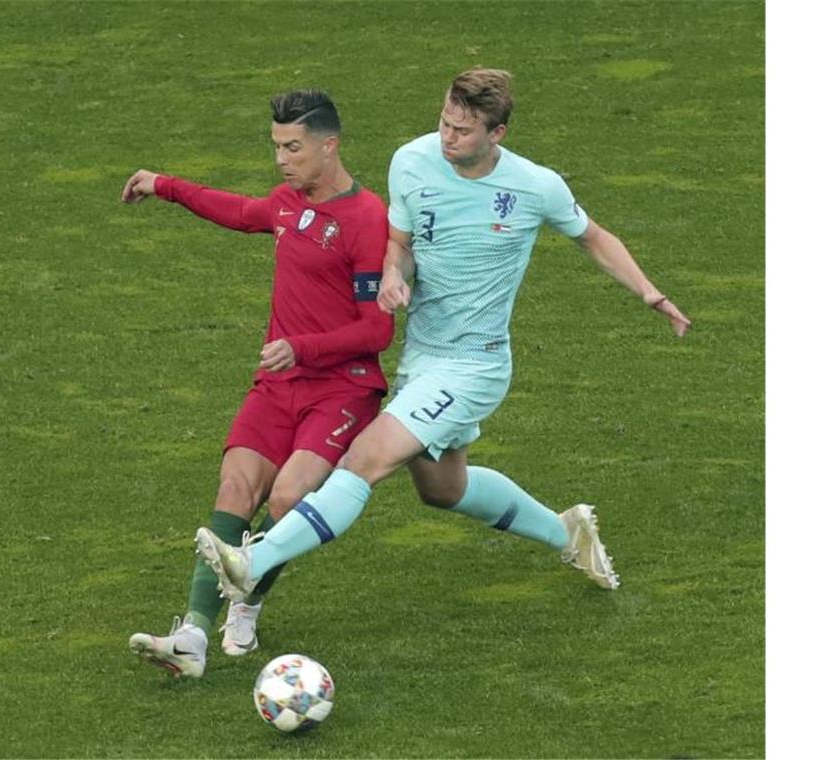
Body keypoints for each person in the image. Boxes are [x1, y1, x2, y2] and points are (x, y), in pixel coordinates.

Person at [196, 68, 692, 603]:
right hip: (423, 358)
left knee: (366, 456)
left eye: (462, 130)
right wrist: (392, 275)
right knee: (443, 489)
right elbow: (402, 245)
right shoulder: (411, 161)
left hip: (475, 365)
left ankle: (254, 561)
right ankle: (567, 532)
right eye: (444, 122)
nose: (447, 137)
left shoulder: (535, 186)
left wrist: (648, 291)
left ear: (496, 133)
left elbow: (594, 238)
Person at [121, 90, 393, 678]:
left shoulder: (368, 218)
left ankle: (247, 601)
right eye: (276, 147)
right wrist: (162, 184)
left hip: (342, 389)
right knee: (235, 488)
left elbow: (377, 330)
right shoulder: (287, 204)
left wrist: (302, 346)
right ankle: (192, 635)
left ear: (330, 144)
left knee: (289, 498)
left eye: (293, 148)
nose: (282, 160)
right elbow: (240, 211)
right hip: (277, 384)